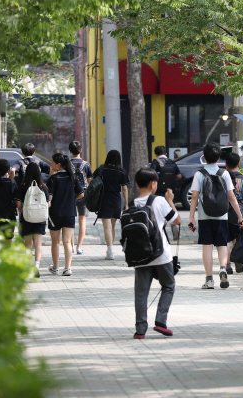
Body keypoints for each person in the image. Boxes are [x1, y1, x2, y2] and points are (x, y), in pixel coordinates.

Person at [131, 167, 181, 339]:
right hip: (161, 255)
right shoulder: (159, 201)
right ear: (153, 184)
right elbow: (176, 220)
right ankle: (160, 321)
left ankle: (140, 330)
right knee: (168, 285)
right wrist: (170, 201)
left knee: (141, 293)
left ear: (138, 185)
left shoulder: (131, 205)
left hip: (140, 256)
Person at [188, 142, 243, 290]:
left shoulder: (199, 174)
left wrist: (191, 217)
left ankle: (209, 279)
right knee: (222, 244)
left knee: (207, 246)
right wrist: (239, 215)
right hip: (222, 215)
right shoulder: (224, 173)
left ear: (204, 158)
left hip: (205, 216)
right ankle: (223, 268)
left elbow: (194, 197)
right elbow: (231, 196)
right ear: (219, 158)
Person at [46, 153, 84, 276]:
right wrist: (71, 198)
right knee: (67, 242)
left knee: (55, 242)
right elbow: (81, 194)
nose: (50, 165)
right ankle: (67, 268)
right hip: (69, 212)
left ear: (58, 164)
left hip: (55, 214)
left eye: (52, 162)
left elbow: (49, 197)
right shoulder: (72, 178)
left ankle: (56, 267)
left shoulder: (53, 179)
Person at [14, 162, 51, 278]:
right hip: (40, 219)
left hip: (27, 219)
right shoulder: (43, 187)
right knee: (38, 243)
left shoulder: (23, 186)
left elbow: (19, 206)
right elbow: (48, 204)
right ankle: (37, 266)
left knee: (28, 244)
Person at [92, 150, 129, 260]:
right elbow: (125, 188)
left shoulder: (102, 169)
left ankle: (110, 251)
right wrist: (126, 203)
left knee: (106, 227)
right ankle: (110, 250)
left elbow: (92, 179)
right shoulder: (121, 171)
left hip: (104, 198)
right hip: (116, 199)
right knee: (112, 226)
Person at [225, 153, 243, 274]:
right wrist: (242, 205)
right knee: (237, 238)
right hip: (238, 214)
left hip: (222, 212)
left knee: (225, 240)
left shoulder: (222, 177)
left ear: (226, 164)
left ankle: (227, 264)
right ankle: (238, 260)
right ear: (238, 164)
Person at [150, 145, 182, 240]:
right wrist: (172, 179)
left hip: (158, 191)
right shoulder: (171, 162)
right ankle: (173, 225)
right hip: (170, 191)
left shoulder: (155, 162)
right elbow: (179, 176)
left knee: (160, 211)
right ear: (166, 154)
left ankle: (162, 228)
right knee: (170, 208)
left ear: (156, 154)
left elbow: (151, 175)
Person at [69, 141, 93, 255]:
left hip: (70, 195)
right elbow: (89, 182)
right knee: (82, 221)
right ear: (80, 150)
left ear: (70, 151)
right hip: (83, 195)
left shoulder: (67, 164)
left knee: (71, 221)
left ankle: (72, 246)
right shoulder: (86, 165)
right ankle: (79, 247)